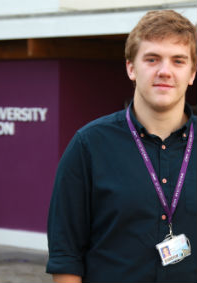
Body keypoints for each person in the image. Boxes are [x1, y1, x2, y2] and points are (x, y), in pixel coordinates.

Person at [46, 9, 196, 283]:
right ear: (131, 68)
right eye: (152, 59)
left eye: (178, 60)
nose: (165, 71)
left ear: (192, 73)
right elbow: (65, 254)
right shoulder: (88, 146)